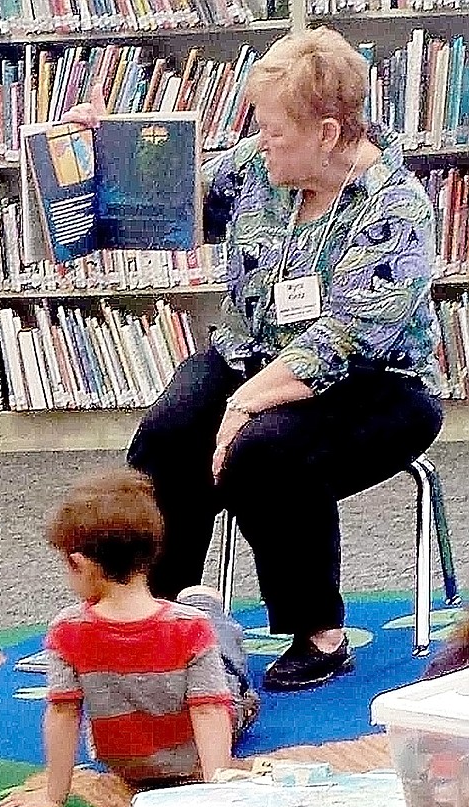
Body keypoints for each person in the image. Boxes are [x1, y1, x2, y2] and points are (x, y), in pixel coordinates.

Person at [72, 28, 444, 691]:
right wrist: (107, 148)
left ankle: (319, 632)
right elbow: (170, 198)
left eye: (274, 129)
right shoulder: (258, 169)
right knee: (169, 432)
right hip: (252, 351)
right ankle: (164, 616)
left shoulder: (396, 208)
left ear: (328, 133)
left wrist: (244, 403)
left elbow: (343, 339)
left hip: (374, 386)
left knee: (262, 451)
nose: (260, 139)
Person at [0, 469, 244, 807]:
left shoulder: (67, 631)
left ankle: (207, 607)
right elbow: (208, 709)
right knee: (216, 656)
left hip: (133, 764)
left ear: (78, 563)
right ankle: (202, 604)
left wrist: (54, 795)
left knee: (232, 676)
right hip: (192, 754)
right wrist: (220, 790)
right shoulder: (189, 629)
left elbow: (63, 712)